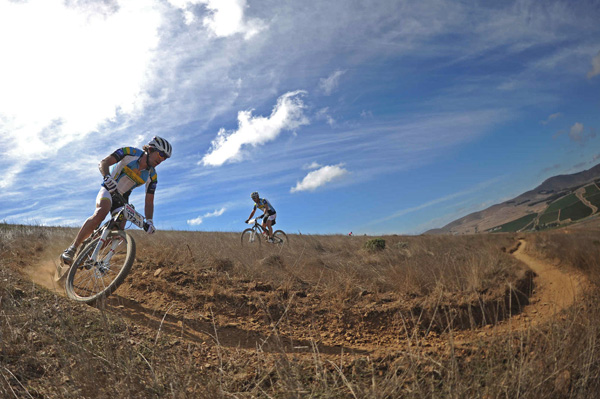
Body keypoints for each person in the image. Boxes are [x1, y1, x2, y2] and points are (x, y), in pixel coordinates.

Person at [60, 136, 172, 265]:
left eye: (165, 157)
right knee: (101, 213)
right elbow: (104, 162)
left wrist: (150, 221)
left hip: (122, 199)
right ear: (151, 149)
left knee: (117, 231)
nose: (162, 159)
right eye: (161, 154)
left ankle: (88, 254)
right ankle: (72, 248)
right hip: (109, 188)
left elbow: (149, 201)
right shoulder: (130, 152)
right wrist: (107, 177)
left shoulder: (152, 175)